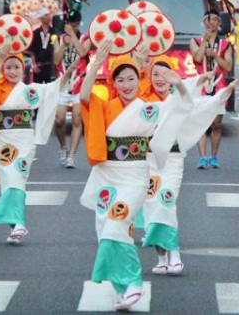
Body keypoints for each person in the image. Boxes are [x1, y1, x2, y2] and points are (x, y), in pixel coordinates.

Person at [79, 40, 192, 311]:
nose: (127, 84)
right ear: (113, 83)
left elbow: (184, 105)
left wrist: (178, 83)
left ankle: (133, 283)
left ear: (137, 79)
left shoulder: (148, 107)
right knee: (106, 230)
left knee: (117, 223)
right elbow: (84, 96)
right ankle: (122, 287)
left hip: (134, 177)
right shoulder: (105, 105)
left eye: (131, 78)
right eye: (121, 80)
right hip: (106, 176)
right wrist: (96, 64)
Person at [139, 56, 237, 276]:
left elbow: (192, 101)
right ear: (148, 76)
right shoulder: (142, 101)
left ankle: (174, 253)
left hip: (172, 161)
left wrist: (222, 91)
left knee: (165, 203)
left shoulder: (178, 99)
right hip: (147, 162)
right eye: (156, 74)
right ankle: (161, 257)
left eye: (165, 74)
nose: (160, 79)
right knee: (151, 208)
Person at [0, 49, 72, 244]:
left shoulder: (29, 91)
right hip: (2, 141)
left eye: (16, 67)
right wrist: (1, 59)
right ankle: (16, 226)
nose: (12, 71)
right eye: (8, 67)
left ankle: (18, 224)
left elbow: (53, 89)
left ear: (24, 69)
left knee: (17, 178)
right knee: (8, 180)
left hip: (24, 142)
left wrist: (70, 70)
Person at [190, 9, 234, 169]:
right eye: (209, 20)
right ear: (204, 23)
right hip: (201, 85)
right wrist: (205, 41)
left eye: (215, 20)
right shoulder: (195, 41)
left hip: (219, 85)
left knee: (217, 123)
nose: (212, 23)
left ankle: (214, 156)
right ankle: (202, 157)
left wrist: (215, 55)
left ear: (219, 23)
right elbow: (197, 58)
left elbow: (228, 66)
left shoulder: (226, 44)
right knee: (200, 121)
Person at [53, 10, 91, 168]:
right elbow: (56, 60)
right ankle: (63, 147)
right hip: (63, 83)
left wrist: (73, 37)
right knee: (59, 119)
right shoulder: (59, 39)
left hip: (79, 83)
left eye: (75, 24)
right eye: (69, 24)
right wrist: (64, 44)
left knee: (77, 118)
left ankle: (72, 156)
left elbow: (83, 52)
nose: (72, 27)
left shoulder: (85, 38)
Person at [27, 8, 56, 84]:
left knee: (50, 88)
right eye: (46, 15)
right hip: (39, 66)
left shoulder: (54, 32)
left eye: (49, 14)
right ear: (41, 17)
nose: (48, 17)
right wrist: (34, 64)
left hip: (51, 66)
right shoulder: (35, 33)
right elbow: (32, 50)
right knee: (37, 88)